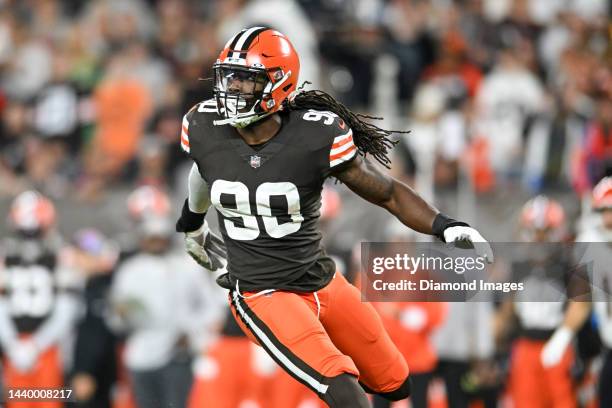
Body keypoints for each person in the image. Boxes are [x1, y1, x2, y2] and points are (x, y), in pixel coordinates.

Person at [175, 27, 493, 407]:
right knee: (345, 393)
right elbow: (205, 169)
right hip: (263, 293)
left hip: (321, 280)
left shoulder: (314, 135)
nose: (232, 89)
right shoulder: (203, 124)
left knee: (396, 383)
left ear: (278, 84)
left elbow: (387, 192)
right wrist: (191, 224)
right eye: (230, 77)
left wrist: (444, 225)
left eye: (246, 80)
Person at [0, 191, 82, 408]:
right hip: (21, 346)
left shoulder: (61, 255)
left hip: (49, 348)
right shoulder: (59, 254)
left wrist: (32, 345)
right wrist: (12, 344)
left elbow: (67, 308)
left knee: (49, 401)